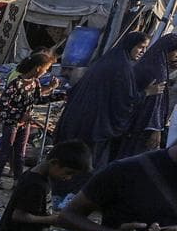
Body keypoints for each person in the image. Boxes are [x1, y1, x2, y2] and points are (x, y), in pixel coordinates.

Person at [55, 31, 149, 170]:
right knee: (85, 166)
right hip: (96, 126)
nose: (143, 51)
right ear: (130, 45)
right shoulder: (121, 67)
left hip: (79, 120)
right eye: (141, 47)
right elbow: (124, 100)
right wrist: (146, 93)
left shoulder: (109, 59)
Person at [0, 51, 63, 188]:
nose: (45, 72)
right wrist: (19, 114)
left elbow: (37, 99)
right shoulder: (16, 84)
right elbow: (4, 104)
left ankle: (17, 181)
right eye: (46, 69)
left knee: (20, 153)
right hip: (12, 123)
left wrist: (58, 95)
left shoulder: (35, 83)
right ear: (38, 68)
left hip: (25, 124)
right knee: (6, 150)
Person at [119, 33, 177, 159]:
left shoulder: (150, 63)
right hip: (142, 128)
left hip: (131, 125)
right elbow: (155, 102)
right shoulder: (158, 70)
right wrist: (155, 129)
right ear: (169, 50)